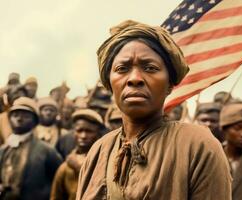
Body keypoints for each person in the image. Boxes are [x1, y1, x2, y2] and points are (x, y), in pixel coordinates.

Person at [76, 20, 231, 200]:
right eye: (122, 69)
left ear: (170, 84)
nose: (134, 78)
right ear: (110, 83)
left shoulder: (198, 146)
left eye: (150, 68)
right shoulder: (98, 151)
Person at [0, 97, 62, 199]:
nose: (19, 119)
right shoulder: (3, 151)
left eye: (25, 116)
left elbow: (59, 181)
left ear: (35, 121)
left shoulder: (47, 151)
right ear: (9, 119)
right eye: (15, 115)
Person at [50, 109, 103, 200]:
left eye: (89, 131)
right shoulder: (65, 167)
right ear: (73, 133)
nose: (83, 136)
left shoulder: (104, 161)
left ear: (98, 134)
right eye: (79, 131)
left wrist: (79, 167)